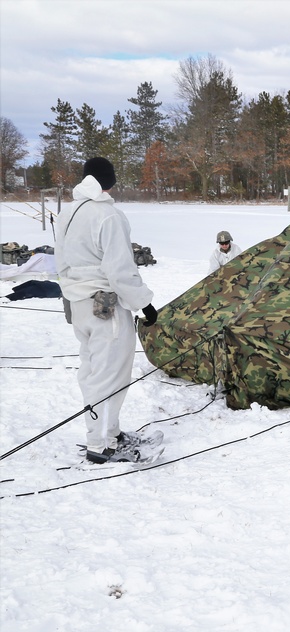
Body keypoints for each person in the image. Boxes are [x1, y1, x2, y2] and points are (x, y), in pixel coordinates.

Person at [54, 157, 163, 464]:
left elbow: (61, 261)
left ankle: (110, 432)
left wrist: (71, 294)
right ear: (109, 180)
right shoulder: (107, 215)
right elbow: (120, 270)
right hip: (106, 308)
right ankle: (101, 445)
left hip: (78, 305)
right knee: (110, 375)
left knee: (93, 371)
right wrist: (145, 304)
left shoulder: (67, 212)